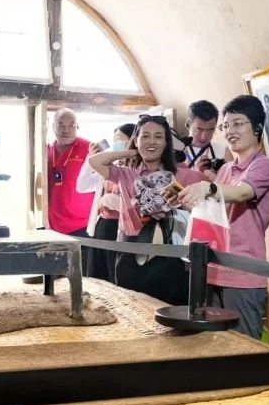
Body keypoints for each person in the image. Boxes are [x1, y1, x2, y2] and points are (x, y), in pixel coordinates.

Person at [173, 95, 269, 340]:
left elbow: (242, 193)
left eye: (238, 124)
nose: (230, 131)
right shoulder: (226, 169)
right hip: (213, 269)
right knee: (213, 343)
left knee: (243, 346)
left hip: (243, 274)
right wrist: (182, 199)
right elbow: (212, 214)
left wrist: (207, 187)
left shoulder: (263, 166)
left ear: (257, 127)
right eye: (226, 126)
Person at [85, 115, 205, 305]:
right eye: (145, 136)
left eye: (158, 136)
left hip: (170, 252)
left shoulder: (184, 175)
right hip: (131, 252)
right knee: (133, 311)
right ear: (136, 140)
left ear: (166, 143)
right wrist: (130, 152)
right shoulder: (125, 173)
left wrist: (180, 202)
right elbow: (94, 162)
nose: (152, 141)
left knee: (170, 311)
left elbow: (202, 212)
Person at [76, 123, 135, 282]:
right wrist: (90, 159)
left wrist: (115, 202)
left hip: (122, 228)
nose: (116, 143)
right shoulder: (108, 168)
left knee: (115, 275)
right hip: (102, 226)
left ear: (133, 141)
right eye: (114, 139)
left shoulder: (136, 169)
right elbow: (81, 185)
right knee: (97, 273)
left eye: (120, 139)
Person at [46, 109, 94, 237]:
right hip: (51, 225)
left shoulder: (90, 149)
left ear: (77, 126)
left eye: (71, 125)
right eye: (61, 125)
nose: (66, 130)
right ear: (53, 127)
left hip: (83, 225)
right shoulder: (46, 150)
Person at [181, 99, 223, 171]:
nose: (204, 136)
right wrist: (196, 174)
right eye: (199, 130)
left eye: (210, 130)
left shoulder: (223, 151)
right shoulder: (174, 154)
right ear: (188, 125)